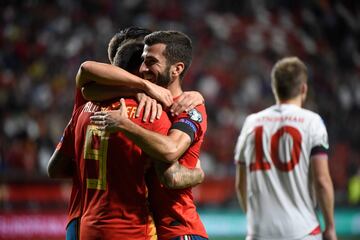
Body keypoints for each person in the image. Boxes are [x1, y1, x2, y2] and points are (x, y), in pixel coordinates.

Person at [48, 27, 204, 240]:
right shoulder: (152, 113)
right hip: (141, 226)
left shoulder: (86, 104)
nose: (145, 68)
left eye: (150, 61)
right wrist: (199, 172)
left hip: (82, 220)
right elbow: (171, 174)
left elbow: (55, 168)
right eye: (143, 61)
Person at [234, 57, 337, 240]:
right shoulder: (312, 122)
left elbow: (241, 184)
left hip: (259, 233)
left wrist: (254, 218)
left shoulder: (251, 122)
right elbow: (322, 181)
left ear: (274, 88)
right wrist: (329, 227)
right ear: (303, 88)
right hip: (303, 231)